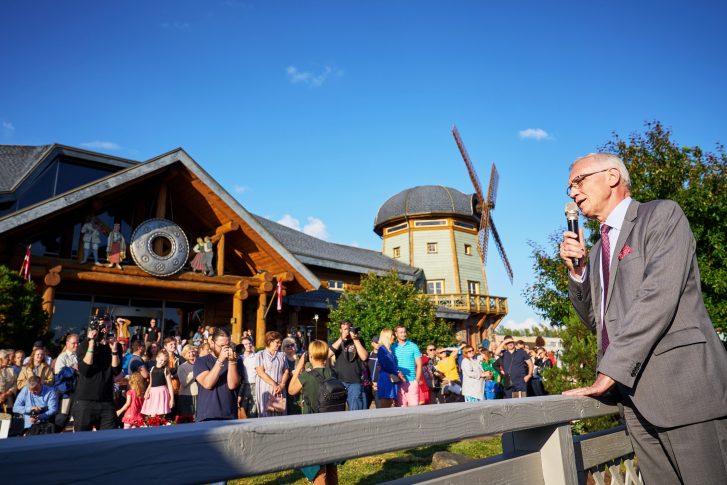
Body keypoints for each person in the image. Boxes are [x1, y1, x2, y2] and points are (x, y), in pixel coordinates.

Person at [560, 152, 727, 483]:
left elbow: (658, 298)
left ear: (612, 176)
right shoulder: (597, 250)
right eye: (569, 188)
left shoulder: (662, 215)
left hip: (685, 393)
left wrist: (610, 370)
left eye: (578, 181)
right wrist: (578, 274)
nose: (573, 192)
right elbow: (599, 321)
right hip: (634, 403)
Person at [288, 340, 340, 484]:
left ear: (310, 356)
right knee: (331, 465)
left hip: (313, 423)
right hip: (332, 422)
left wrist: (299, 365)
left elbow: (291, 390)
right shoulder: (333, 373)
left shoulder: (307, 376)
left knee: (318, 468)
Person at [72, 326, 122, 431]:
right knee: (82, 438)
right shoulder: (84, 345)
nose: (104, 328)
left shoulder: (115, 346)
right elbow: (85, 369)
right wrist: (91, 344)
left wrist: (114, 351)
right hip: (85, 401)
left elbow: (116, 370)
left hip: (106, 401)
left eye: (107, 323)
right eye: (101, 325)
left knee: (109, 437)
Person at [194, 328, 241, 422]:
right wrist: (220, 360)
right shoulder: (201, 361)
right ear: (212, 343)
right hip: (207, 416)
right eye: (221, 346)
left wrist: (232, 362)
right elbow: (208, 384)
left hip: (229, 415)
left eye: (227, 345)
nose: (225, 349)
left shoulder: (236, 360)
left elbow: (232, 385)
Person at [330, 321, 369, 411]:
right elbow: (327, 354)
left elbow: (364, 357)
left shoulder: (359, 340)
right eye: (344, 329)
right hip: (339, 381)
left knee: (355, 410)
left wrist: (355, 340)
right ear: (340, 330)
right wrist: (341, 339)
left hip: (354, 381)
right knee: (338, 409)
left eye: (348, 329)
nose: (347, 331)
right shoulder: (336, 341)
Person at [254, 331, 289, 417]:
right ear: (270, 341)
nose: (279, 344)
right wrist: (274, 384)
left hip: (279, 389)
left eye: (280, 342)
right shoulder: (260, 354)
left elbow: (286, 371)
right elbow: (260, 372)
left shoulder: (282, 355)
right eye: (277, 342)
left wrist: (282, 384)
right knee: (265, 414)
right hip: (265, 389)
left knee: (279, 413)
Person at [392, 325, 422, 407]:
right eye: (401, 332)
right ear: (396, 334)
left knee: (414, 409)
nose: (403, 334)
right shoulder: (392, 347)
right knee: (400, 410)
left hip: (411, 382)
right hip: (398, 382)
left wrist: (416, 381)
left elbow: (419, 364)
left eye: (404, 332)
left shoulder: (413, 346)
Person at [373, 328, 403, 409]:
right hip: (386, 377)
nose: (393, 336)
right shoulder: (382, 349)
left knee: (389, 401)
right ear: (387, 336)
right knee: (385, 402)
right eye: (392, 335)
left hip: (389, 376)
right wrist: (397, 372)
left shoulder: (388, 350)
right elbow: (386, 365)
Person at [141, 349, 174, 417]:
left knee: (161, 412)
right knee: (152, 412)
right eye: (161, 360)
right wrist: (146, 392)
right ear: (157, 358)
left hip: (162, 392)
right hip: (153, 392)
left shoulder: (165, 370)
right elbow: (151, 383)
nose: (162, 362)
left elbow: (170, 385)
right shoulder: (152, 369)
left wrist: (172, 399)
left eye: (165, 361)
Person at [282, 337, 302, 415]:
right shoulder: (282, 359)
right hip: (287, 386)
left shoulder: (300, 357)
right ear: (283, 348)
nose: (290, 347)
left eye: (292, 345)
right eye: (287, 346)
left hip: (299, 387)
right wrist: (290, 373)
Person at [177, 345, 198, 418]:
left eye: (193, 351)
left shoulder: (200, 364)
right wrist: (194, 370)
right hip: (187, 396)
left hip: (199, 395)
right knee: (188, 418)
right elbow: (184, 383)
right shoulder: (182, 367)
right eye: (189, 352)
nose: (191, 354)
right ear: (185, 355)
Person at [239, 336, 258, 418]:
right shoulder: (240, 358)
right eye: (245, 344)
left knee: (253, 409)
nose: (248, 345)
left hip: (255, 384)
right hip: (243, 385)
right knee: (242, 408)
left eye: (250, 343)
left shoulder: (257, 356)